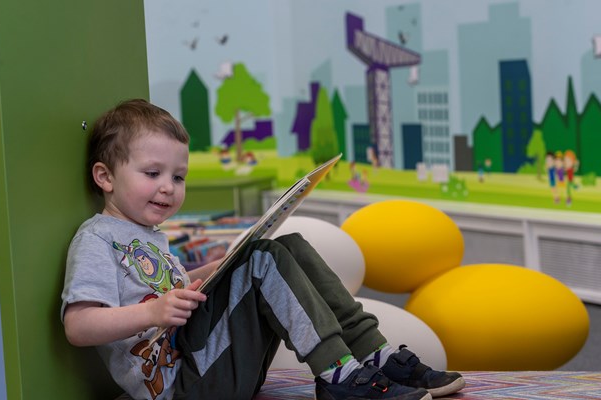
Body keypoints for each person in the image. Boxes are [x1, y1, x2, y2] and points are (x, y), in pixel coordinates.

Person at [61, 99, 465, 400]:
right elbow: (79, 327)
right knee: (264, 260)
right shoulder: (98, 239)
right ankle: (338, 378)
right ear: (105, 176)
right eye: (153, 173)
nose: (169, 186)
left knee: (284, 245)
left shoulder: (148, 235)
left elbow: (171, 293)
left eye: (179, 176)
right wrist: (151, 312)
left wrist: (212, 271)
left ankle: (373, 355)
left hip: (211, 365)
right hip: (182, 386)